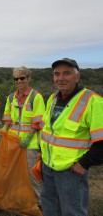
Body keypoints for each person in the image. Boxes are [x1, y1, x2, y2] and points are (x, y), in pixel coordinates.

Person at [40, 58, 103, 216]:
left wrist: (84, 163)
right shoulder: (53, 98)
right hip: (48, 166)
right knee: (50, 207)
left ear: (77, 76)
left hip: (71, 170)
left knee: (72, 211)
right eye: (56, 74)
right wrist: (42, 155)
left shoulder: (92, 101)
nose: (60, 78)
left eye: (67, 73)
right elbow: (48, 131)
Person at [2, 66, 45, 206]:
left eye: (22, 78)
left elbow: (38, 122)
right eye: (16, 79)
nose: (19, 81)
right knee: (14, 171)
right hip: (13, 141)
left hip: (30, 144)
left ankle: (39, 203)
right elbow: (8, 117)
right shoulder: (11, 98)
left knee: (32, 174)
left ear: (28, 78)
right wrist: (5, 130)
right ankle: (19, 198)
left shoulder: (36, 97)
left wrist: (28, 138)